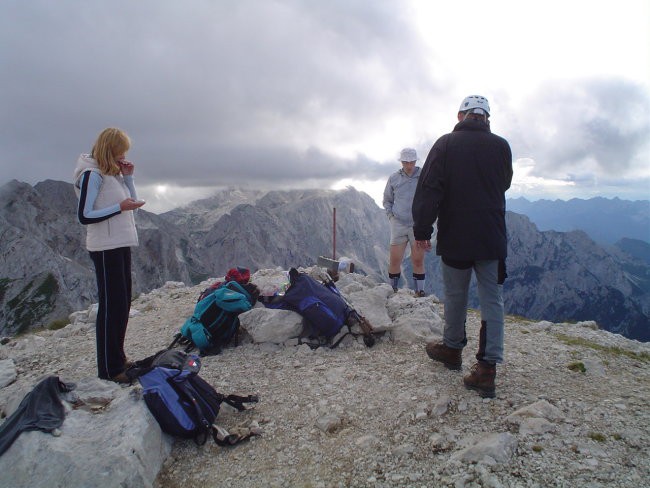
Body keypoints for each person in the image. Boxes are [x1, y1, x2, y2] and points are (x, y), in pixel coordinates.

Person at [412, 95, 513, 398]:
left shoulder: (445, 145)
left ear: (461, 116)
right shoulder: (502, 146)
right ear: (486, 118)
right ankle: (487, 369)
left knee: (456, 294)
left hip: (456, 234)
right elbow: (505, 183)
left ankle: (452, 349)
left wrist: (422, 227)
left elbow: (430, 187)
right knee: (492, 299)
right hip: (491, 237)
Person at [73, 128, 145, 383]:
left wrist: (129, 178)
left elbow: (131, 203)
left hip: (120, 243)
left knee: (122, 302)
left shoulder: (111, 174)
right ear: (110, 149)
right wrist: (119, 207)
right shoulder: (91, 174)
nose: (123, 155)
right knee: (111, 306)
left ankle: (118, 358)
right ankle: (108, 369)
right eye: (120, 150)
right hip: (104, 247)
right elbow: (84, 215)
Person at [383, 147, 427, 297]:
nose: (409, 165)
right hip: (399, 223)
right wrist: (391, 217)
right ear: (401, 162)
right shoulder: (394, 178)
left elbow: (432, 195)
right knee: (395, 259)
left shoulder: (424, 175)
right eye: (406, 162)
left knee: (418, 260)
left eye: (411, 162)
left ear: (415, 161)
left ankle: (419, 292)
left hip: (418, 224)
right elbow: (387, 199)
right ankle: (392, 290)